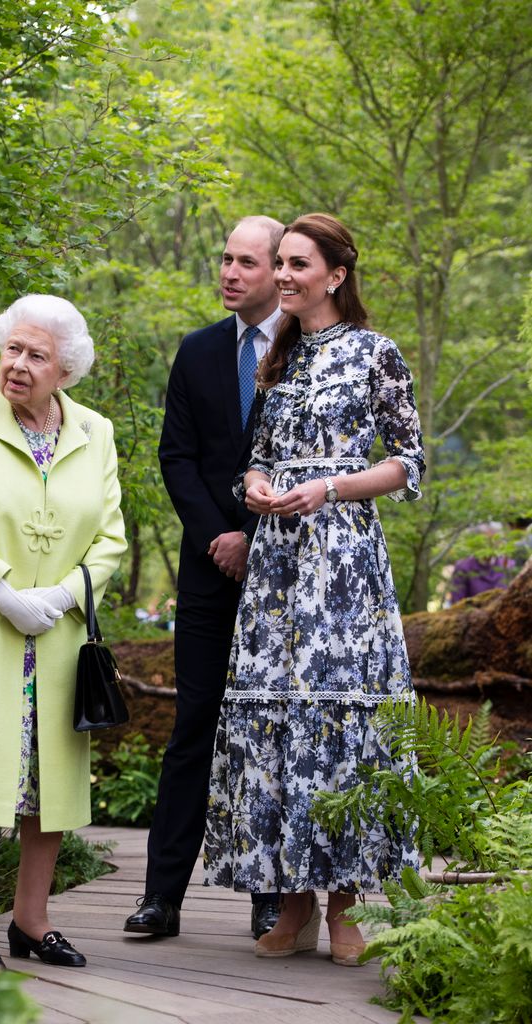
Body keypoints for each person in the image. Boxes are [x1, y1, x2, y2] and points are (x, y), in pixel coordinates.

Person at [203, 213, 425, 967]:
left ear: (335, 274)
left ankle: (346, 908)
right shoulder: (281, 358)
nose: (286, 276)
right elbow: (256, 459)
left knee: (341, 725)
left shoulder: (375, 354)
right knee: (278, 724)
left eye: (299, 265)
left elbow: (408, 465)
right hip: (276, 570)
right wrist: (258, 485)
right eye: (282, 264)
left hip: (342, 566)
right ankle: (290, 905)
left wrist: (328, 489)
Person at [0, 294, 127, 969]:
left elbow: (111, 538)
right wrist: (4, 594)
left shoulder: (96, 431)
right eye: (13, 348)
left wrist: (65, 595)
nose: (18, 364)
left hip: (59, 637)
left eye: (36, 355)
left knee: (48, 784)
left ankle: (32, 923)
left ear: (64, 369)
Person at [124, 216, 284, 941]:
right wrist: (218, 536)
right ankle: (161, 899)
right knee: (193, 726)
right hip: (206, 571)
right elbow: (175, 457)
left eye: (245, 261)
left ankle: (268, 898)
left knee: (267, 732)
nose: (228, 271)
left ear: (278, 270)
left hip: (285, 573)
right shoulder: (196, 352)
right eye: (224, 258)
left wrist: (255, 538)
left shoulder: (311, 352)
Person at [448, 522, 516, 604]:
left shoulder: (508, 565)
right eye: (486, 541)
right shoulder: (464, 567)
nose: (490, 545)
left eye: (494, 540)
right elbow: (457, 602)